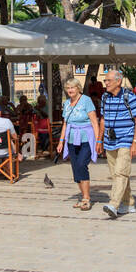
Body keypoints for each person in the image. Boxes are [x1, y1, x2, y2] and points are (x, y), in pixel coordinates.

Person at [98, 69, 136, 219]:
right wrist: (99, 140)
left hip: (126, 139)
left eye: (108, 80)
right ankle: (129, 202)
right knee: (118, 174)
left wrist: (135, 142)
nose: (106, 83)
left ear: (118, 81)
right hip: (110, 141)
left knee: (120, 172)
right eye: (105, 80)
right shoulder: (105, 97)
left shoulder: (129, 97)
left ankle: (114, 204)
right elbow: (102, 119)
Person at [57, 79, 101, 210]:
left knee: (82, 164)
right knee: (76, 168)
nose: (70, 90)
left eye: (73, 87)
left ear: (78, 88)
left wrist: (98, 140)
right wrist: (61, 141)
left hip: (86, 138)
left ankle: (87, 198)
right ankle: (83, 197)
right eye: (68, 88)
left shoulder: (86, 100)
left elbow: (94, 122)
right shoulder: (66, 104)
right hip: (71, 139)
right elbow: (65, 124)